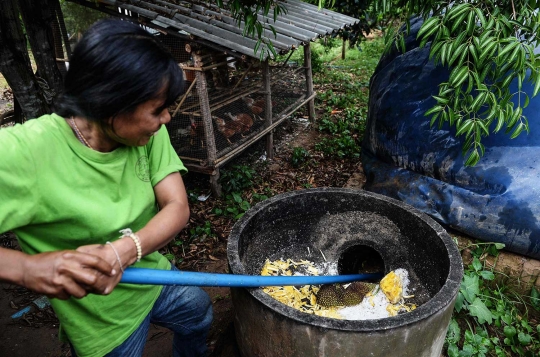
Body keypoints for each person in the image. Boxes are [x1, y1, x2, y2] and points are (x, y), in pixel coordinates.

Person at [0, 19, 213, 357]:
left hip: (150, 277)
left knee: (198, 311)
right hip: (101, 320)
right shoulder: (26, 153)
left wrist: (123, 251)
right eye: (158, 109)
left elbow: (177, 206)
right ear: (109, 103)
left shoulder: (149, 134)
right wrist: (26, 268)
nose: (167, 119)